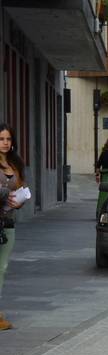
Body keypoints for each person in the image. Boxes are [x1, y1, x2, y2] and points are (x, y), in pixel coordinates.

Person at [0, 124, 28, 331]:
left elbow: (22, 188)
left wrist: (21, 201)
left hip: (8, 223)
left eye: (8, 139)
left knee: (2, 268)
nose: (5, 143)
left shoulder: (16, 164)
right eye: (1, 139)